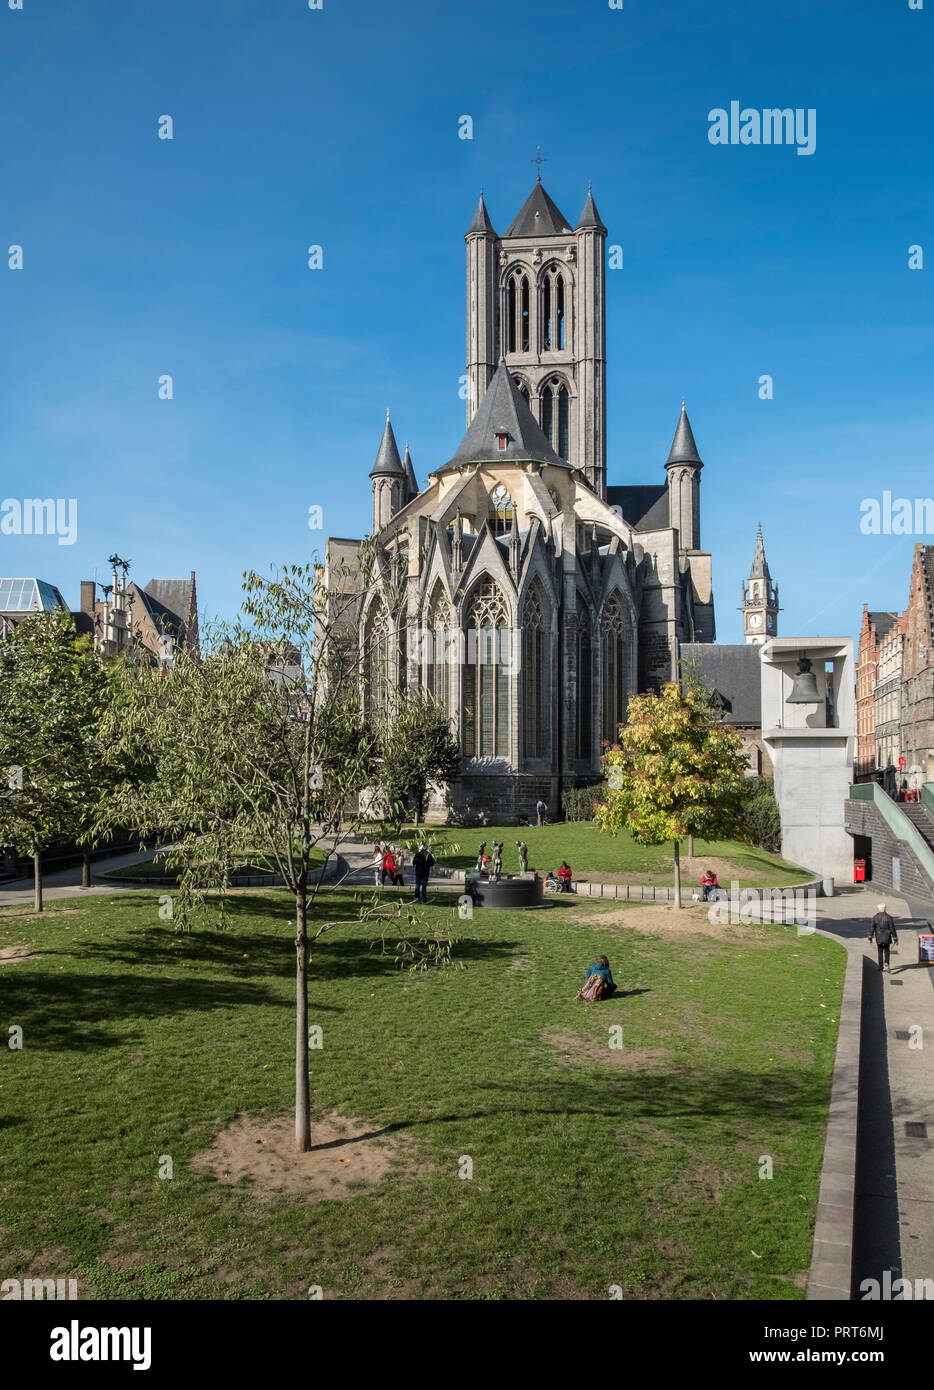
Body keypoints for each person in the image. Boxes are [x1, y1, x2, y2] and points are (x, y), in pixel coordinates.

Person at [869, 902, 898, 973]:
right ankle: (887, 963)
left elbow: (872, 928)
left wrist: (870, 937)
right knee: (887, 951)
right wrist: (895, 937)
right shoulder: (889, 917)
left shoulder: (875, 917)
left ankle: (880, 966)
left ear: (878, 909)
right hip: (887, 937)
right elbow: (892, 928)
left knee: (880, 952)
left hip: (879, 937)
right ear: (885, 908)